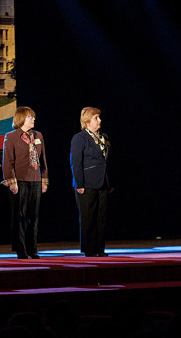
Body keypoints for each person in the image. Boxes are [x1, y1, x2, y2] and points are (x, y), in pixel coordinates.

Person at [2, 106, 49, 259]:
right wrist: (12, 182)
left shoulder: (38, 135)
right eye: (30, 117)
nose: (33, 119)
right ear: (21, 119)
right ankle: (21, 249)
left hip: (35, 180)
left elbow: (43, 160)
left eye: (33, 117)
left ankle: (32, 249)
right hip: (20, 181)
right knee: (20, 216)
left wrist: (44, 180)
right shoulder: (11, 136)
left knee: (33, 216)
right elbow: (8, 162)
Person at [70, 107, 111, 257]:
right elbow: (76, 163)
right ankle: (89, 249)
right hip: (87, 183)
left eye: (99, 117)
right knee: (88, 217)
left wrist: (109, 182)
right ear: (87, 121)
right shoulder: (79, 138)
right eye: (96, 118)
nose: (99, 120)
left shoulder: (103, 137)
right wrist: (79, 184)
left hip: (103, 182)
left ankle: (100, 248)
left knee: (101, 217)